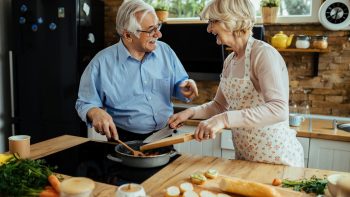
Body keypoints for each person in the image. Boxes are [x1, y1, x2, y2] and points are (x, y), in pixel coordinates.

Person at [168, 0, 304, 167]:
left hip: (277, 159)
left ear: (232, 20)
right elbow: (219, 105)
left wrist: (224, 119)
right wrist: (189, 113)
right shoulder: (230, 60)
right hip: (246, 158)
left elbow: (278, 109)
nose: (209, 29)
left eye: (213, 22)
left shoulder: (263, 54)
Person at [75, 0, 198, 142]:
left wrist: (184, 88)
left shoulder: (165, 51)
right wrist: (95, 112)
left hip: (165, 136)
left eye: (158, 26)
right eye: (151, 30)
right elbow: (84, 103)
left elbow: (179, 84)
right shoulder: (101, 63)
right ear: (128, 35)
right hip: (124, 141)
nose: (158, 34)